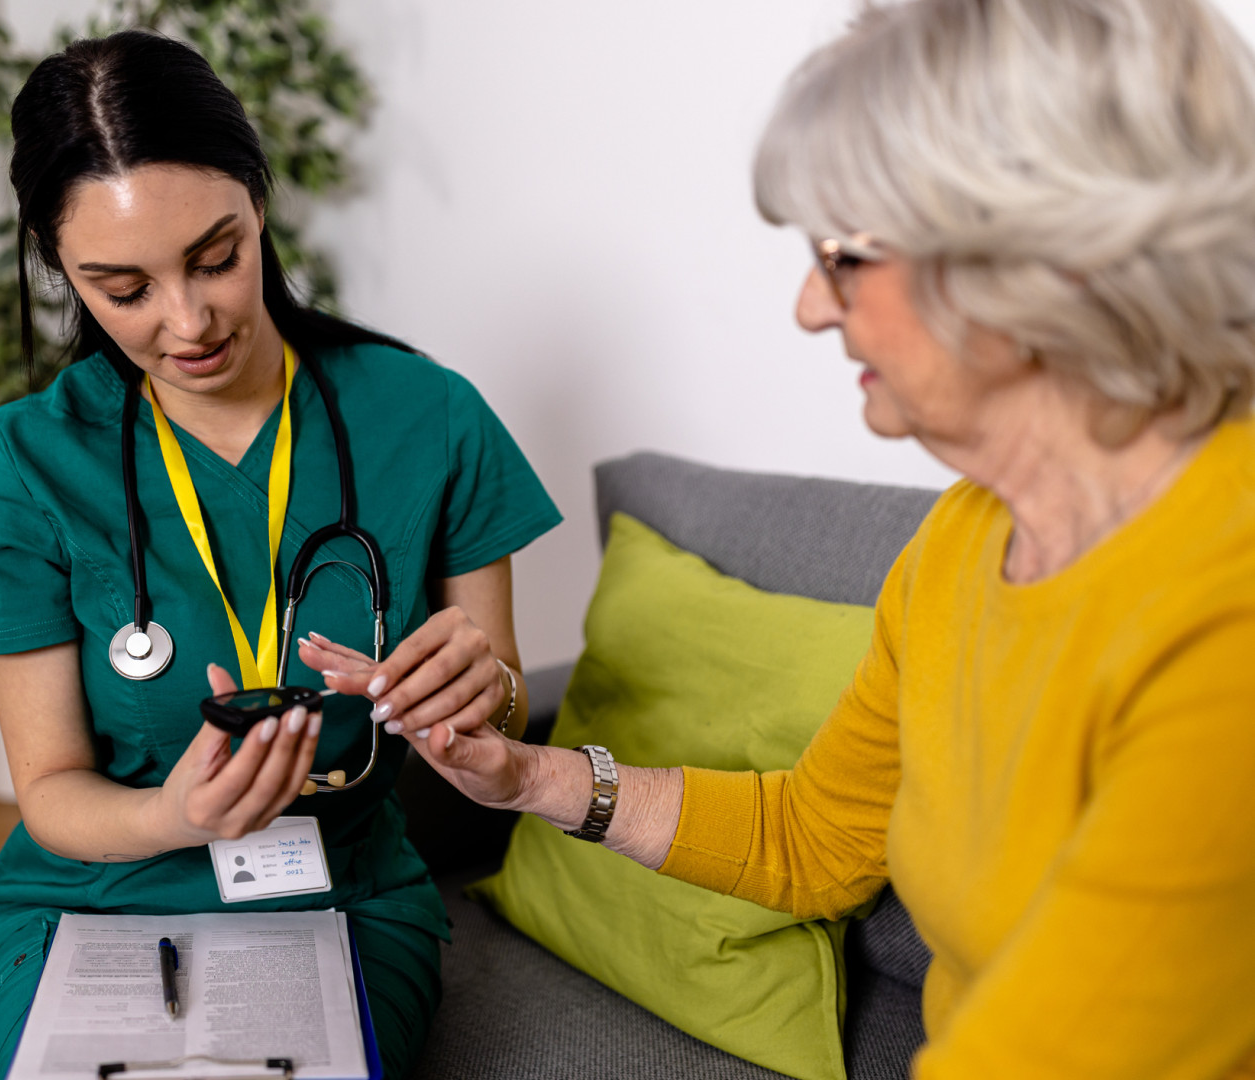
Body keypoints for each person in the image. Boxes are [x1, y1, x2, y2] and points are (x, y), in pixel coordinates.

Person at [312, 0, 1255, 1075]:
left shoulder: (1224, 615)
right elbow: (810, 838)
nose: (811, 306)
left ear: (1047, 258)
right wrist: (529, 780)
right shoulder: (967, 535)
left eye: (844, 256)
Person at [0, 30, 560, 1080]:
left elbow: (503, 710)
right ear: (63, 272)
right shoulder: (32, 458)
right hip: (101, 889)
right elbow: (50, 787)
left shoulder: (427, 416)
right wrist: (170, 813)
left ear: (259, 204)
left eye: (215, 257)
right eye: (123, 288)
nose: (187, 321)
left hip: (341, 890)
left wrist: (483, 692)